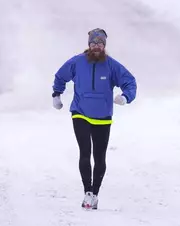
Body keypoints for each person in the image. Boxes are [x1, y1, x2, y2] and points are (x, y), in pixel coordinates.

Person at [51, 28, 137, 210]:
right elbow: (60, 76)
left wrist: (125, 97)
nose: (96, 47)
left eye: (100, 44)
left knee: (99, 157)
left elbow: (130, 81)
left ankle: (95, 193)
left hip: (103, 117)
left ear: (104, 46)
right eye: (93, 43)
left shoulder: (112, 66)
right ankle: (87, 192)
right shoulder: (77, 62)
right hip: (80, 113)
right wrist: (56, 94)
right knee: (84, 152)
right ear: (88, 45)